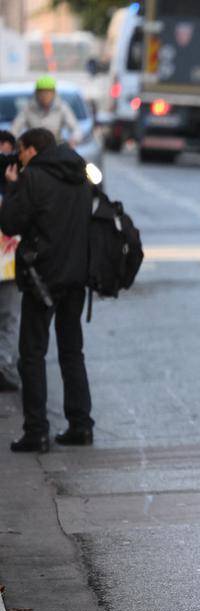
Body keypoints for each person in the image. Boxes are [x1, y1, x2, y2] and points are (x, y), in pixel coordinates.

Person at [0, 128, 94, 452]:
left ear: (31, 150)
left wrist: (13, 188)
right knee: (71, 351)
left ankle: (36, 431)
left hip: (43, 279)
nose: (19, 158)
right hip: (76, 276)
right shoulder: (79, 172)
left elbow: (9, 223)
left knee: (32, 354)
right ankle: (81, 425)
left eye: (21, 151)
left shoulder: (34, 178)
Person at [0, 130, 21, 392]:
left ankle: (4, 368)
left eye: (6, 154)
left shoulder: (22, 183)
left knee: (9, 318)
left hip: (10, 264)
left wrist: (14, 186)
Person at [11, 76, 81, 145]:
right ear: (36, 94)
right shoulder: (27, 108)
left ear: (54, 94)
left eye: (47, 93)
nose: (44, 96)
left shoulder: (62, 108)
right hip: (34, 150)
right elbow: (14, 129)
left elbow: (75, 128)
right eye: (41, 93)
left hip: (55, 148)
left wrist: (73, 140)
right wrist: (18, 143)